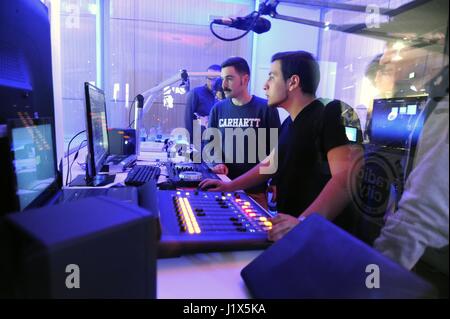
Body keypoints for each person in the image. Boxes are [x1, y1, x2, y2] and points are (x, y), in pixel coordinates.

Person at [200, 51, 363, 241]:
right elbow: (269, 165)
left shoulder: (334, 111)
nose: (265, 85)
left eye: (272, 76)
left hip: (323, 239)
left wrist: (303, 222)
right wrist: (228, 186)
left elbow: (346, 177)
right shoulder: (289, 124)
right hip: (294, 235)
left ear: (293, 82)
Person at [371, 39, 449, 296]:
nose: (384, 60)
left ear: (435, 41)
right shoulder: (436, 96)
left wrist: (369, 283)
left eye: (394, 49)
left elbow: (419, 219)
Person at [205, 57, 281, 209]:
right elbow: (210, 145)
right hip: (222, 188)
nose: (224, 85)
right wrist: (217, 162)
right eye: (222, 79)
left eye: (229, 79)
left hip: (255, 193)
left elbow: (277, 151)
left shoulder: (266, 108)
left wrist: (276, 181)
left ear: (245, 79)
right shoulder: (218, 109)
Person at [184, 64, 221, 144]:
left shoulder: (225, 96)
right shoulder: (195, 93)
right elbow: (188, 121)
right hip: (200, 144)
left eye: (215, 79)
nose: (212, 83)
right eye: (209, 79)